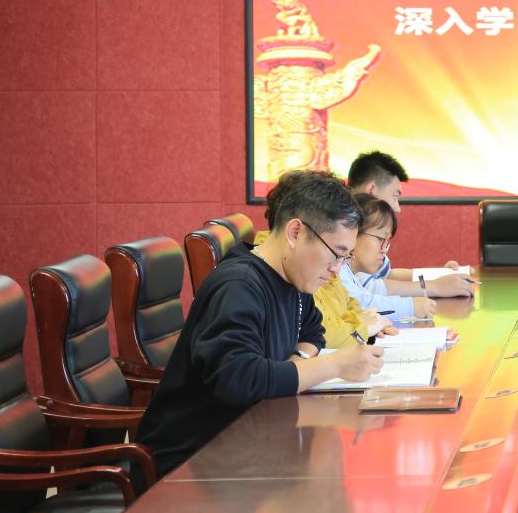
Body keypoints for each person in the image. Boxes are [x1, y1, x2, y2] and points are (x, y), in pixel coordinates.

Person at [138, 170, 384, 475]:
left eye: (344, 259)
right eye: (337, 254)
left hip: (247, 444)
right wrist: (334, 366)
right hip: (191, 462)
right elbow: (240, 379)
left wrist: (295, 361)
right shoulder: (239, 286)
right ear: (295, 232)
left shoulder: (294, 277)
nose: (336, 269)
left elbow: (313, 330)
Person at [339, 152, 474, 322]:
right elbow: (366, 293)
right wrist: (432, 288)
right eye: (395, 196)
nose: (397, 208)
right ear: (372, 190)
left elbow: (387, 274)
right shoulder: (343, 242)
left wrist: (441, 275)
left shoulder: (366, 242)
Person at [313, 192, 400, 348]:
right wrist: (362, 327)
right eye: (380, 239)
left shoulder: (334, 265)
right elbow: (319, 332)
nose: (337, 269)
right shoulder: (310, 274)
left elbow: (351, 304)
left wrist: (369, 323)